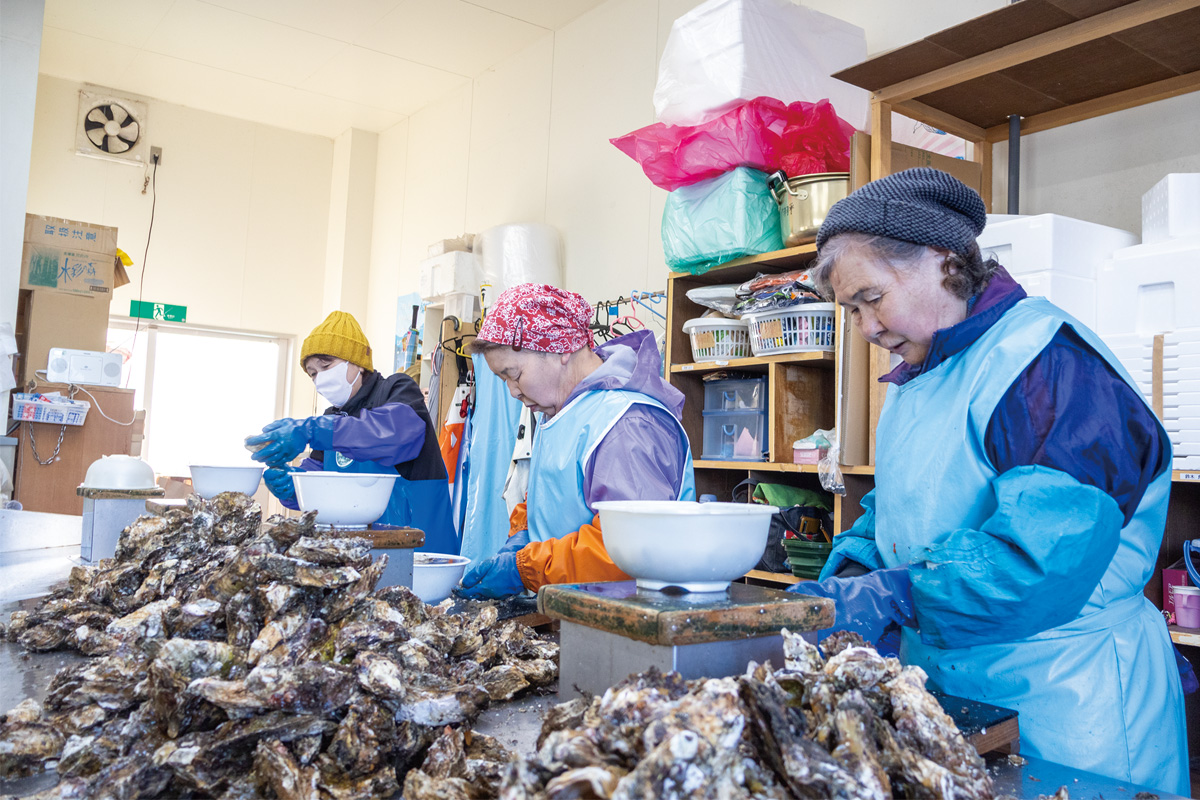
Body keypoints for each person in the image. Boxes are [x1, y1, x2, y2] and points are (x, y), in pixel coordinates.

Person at [787, 168, 1187, 793]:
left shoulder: (1047, 366)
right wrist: (856, 573)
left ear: (943, 261)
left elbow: (1044, 559)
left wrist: (896, 596)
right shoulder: (920, 374)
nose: (865, 328)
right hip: (951, 696)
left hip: (1066, 702)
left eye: (872, 298)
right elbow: (901, 506)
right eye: (851, 310)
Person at [456, 283, 696, 599]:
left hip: (631, 617)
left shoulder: (625, 423)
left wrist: (527, 567)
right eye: (504, 380)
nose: (513, 392)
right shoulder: (566, 414)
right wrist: (524, 532)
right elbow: (557, 494)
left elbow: (629, 546)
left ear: (561, 349)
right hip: (581, 611)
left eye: (514, 374)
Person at [247, 310, 457, 553]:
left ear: (357, 362)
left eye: (326, 365)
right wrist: (294, 484)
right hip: (357, 556)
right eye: (313, 373)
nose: (320, 379)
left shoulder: (398, 390)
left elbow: (392, 435)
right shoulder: (331, 417)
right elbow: (318, 479)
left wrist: (312, 430)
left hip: (419, 554)